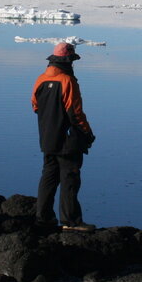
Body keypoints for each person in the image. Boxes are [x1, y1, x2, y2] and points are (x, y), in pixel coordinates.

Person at [32, 42, 96, 231]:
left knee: (49, 177)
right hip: (68, 141)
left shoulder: (40, 80)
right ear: (67, 61)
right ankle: (71, 221)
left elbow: (35, 106)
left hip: (47, 138)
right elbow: (75, 113)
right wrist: (87, 133)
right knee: (70, 179)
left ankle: (43, 219)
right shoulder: (68, 81)